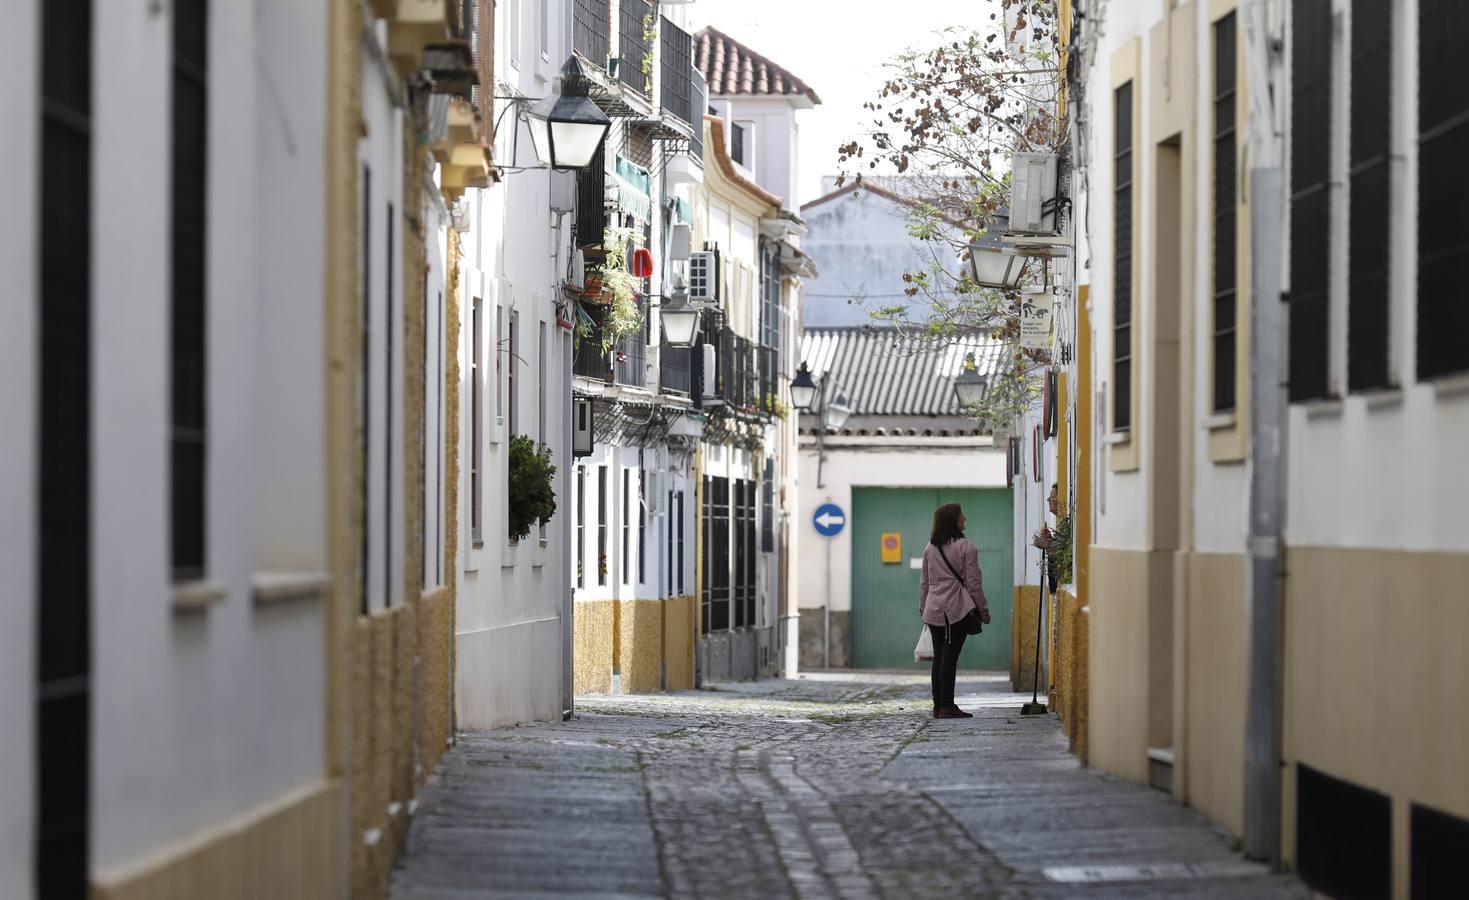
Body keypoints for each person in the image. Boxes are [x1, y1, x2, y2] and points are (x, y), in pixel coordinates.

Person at [919, 503, 991, 719]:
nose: (965, 519)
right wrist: (984, 611)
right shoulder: (967, 547)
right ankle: (947, 706)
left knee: (939, 657)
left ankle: (938, 706)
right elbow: (973, 584)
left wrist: (923, 607)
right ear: (953, 520)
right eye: (961, 516)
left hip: (933, 610)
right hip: (956, 610)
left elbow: (924, 582)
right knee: (949, 657)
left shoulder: (930, 548)